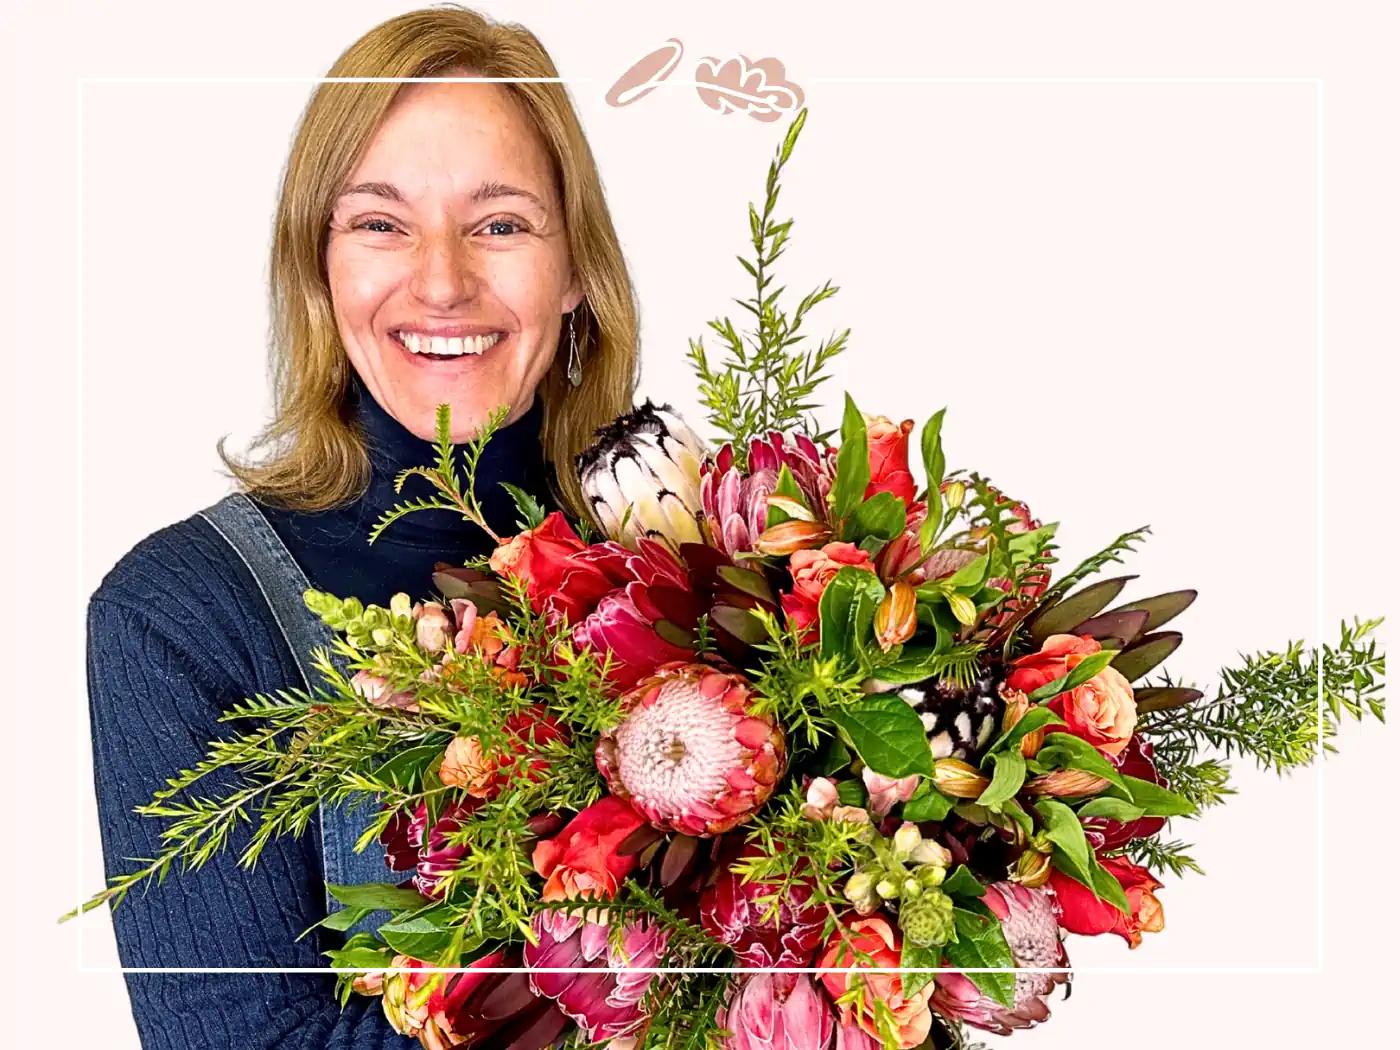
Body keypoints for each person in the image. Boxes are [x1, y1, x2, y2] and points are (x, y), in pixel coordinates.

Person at [85, 7, 637, 1048]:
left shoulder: (712, 577)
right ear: (318, 268)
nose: (440, 279)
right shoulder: (187, 616)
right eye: (380, 222)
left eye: (501, 223)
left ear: (574, 272)